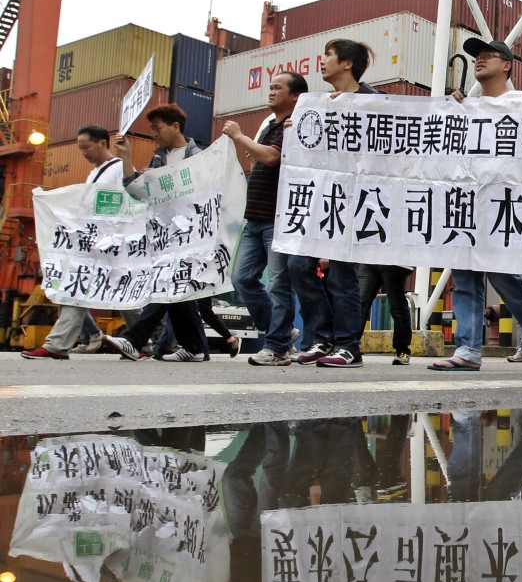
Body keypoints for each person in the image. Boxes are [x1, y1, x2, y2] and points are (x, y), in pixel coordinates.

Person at [429, 38, 522, 372]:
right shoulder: (467, 107)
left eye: (488, 55)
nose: (479, 60)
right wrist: (454, 111)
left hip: (504, 203)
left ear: (507, 65)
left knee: (505, 276)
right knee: (464, 274)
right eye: (476, 56)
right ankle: (468, 349)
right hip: (467, 201)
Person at [103, 104, 214, 362]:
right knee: (177, 292)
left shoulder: (198, 155)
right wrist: (126, 158)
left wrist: (166, 179)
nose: (154, 133)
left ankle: (135, 340)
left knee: (166, 285)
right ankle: (196, 348)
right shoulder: (158, 156)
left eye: (157, 128)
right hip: (165, 235)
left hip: (191, 236)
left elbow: (205, 192)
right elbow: (135, 187)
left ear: (175, 126)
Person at [297, 38, 379, 368]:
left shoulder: (373, 102)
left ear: (347, 64)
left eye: (329, 55)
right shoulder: (319, 105)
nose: (323, 60)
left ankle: (348, 345)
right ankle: (324, 337)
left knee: (342, 276)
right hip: (320, 199)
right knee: (298, 266)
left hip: (354, 200)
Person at [225, 71, 308, 366]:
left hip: (277, 217)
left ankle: (276, 346)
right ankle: (282, 332)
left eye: (277, 88)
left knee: (278, 284)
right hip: (255, 217)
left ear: (295, 95)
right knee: (242, 278)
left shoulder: (294, 124)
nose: (270, 92)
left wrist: (239, 136)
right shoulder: (269, 125)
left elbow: (272, 158)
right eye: (270, 88)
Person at [22, 127, 124, 360]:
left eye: (86, 147)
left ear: (102, 143)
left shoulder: (118, 167)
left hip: (111, 244)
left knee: (122, 292)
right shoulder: (93, 174)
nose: (83, 153)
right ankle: (59, 344)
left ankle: (140, 338)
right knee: (74, 288)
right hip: (92, 243)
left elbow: (131, 193)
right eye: (80, 149)